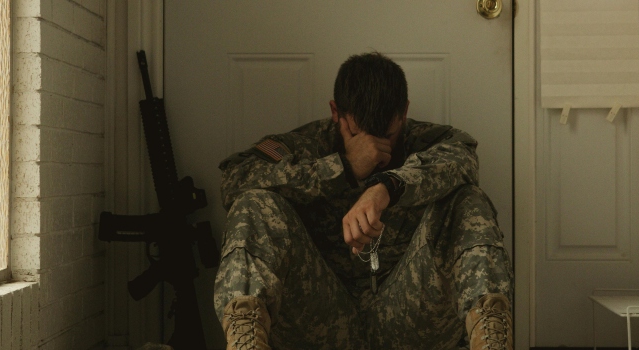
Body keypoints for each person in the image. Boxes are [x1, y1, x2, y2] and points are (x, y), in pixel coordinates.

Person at [214, 52, 514, 350]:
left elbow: (463, 160)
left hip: (410, 315)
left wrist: (387, 187)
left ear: (404, 112)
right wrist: (342, 167)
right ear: (336, 112)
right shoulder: (308, 143)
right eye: (358, 134)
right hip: (319, 315)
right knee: (253, 204)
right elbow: (234, 177)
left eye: (387, 135)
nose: (376, 150)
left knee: (468, 201)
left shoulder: (430, 140)